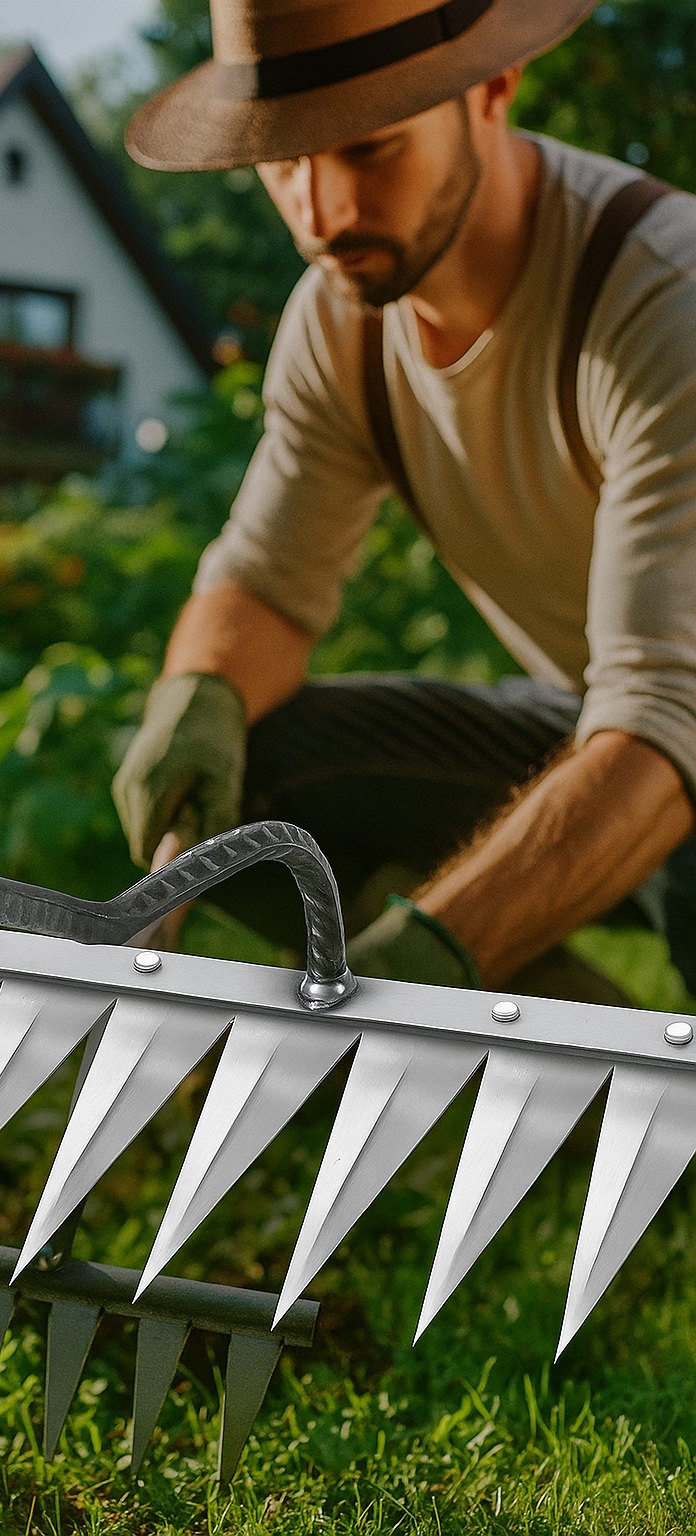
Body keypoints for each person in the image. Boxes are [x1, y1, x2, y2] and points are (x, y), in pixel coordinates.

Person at [112, 0, 696, 1002]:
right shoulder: (341, 320)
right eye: (283, 160)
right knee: (252, 774)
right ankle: (572, 1043)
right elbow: (267, 585)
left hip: (667, 733)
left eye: (368, 150)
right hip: (614, 723)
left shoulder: (660, 299)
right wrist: (197, 692)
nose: (322, 214)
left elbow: (666, 709)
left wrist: (425, 954)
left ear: (492, 91)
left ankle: (484, 994)